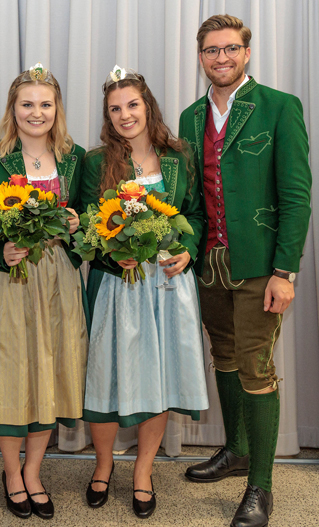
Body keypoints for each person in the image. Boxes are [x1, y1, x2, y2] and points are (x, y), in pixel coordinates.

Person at [179, 14, 312, 527]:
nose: (222, 58)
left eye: (231, 48)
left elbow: (296, 196)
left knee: (256, 367)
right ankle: (234, 452)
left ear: (246, 52)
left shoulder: (279, 107)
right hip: (210, 264)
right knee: (226, 357)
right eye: (212, 51)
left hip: (261, 264)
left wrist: (286, 270)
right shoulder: (192, 118)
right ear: (201, 57)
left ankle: (262, 485)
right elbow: (191, 198)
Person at [79, 66, 209, 519]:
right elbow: (84, 231)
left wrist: (188, 251)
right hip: (116, 286)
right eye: (115, 109)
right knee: (105, 376)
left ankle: (143, 472)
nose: (125, 115)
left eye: (132, 104)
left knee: (158, 378)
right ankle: (102, 465)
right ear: (107, 116)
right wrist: (112, 256)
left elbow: (196, 215)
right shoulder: (95, 163)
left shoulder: (179, 157)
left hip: (167, 286)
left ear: (147, 106)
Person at [0, 63, 88, 520]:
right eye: (27, 104)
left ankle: (35, 471)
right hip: (11, 278)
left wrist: (78, 227)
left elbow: (91, 221)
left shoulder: (76, 157)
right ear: (12, 109)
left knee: (51, 371)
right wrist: (2, 251)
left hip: (58, 276)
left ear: (56, 108)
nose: (36, 112)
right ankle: (11, 472)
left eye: (45, 103)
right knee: (9, 371)